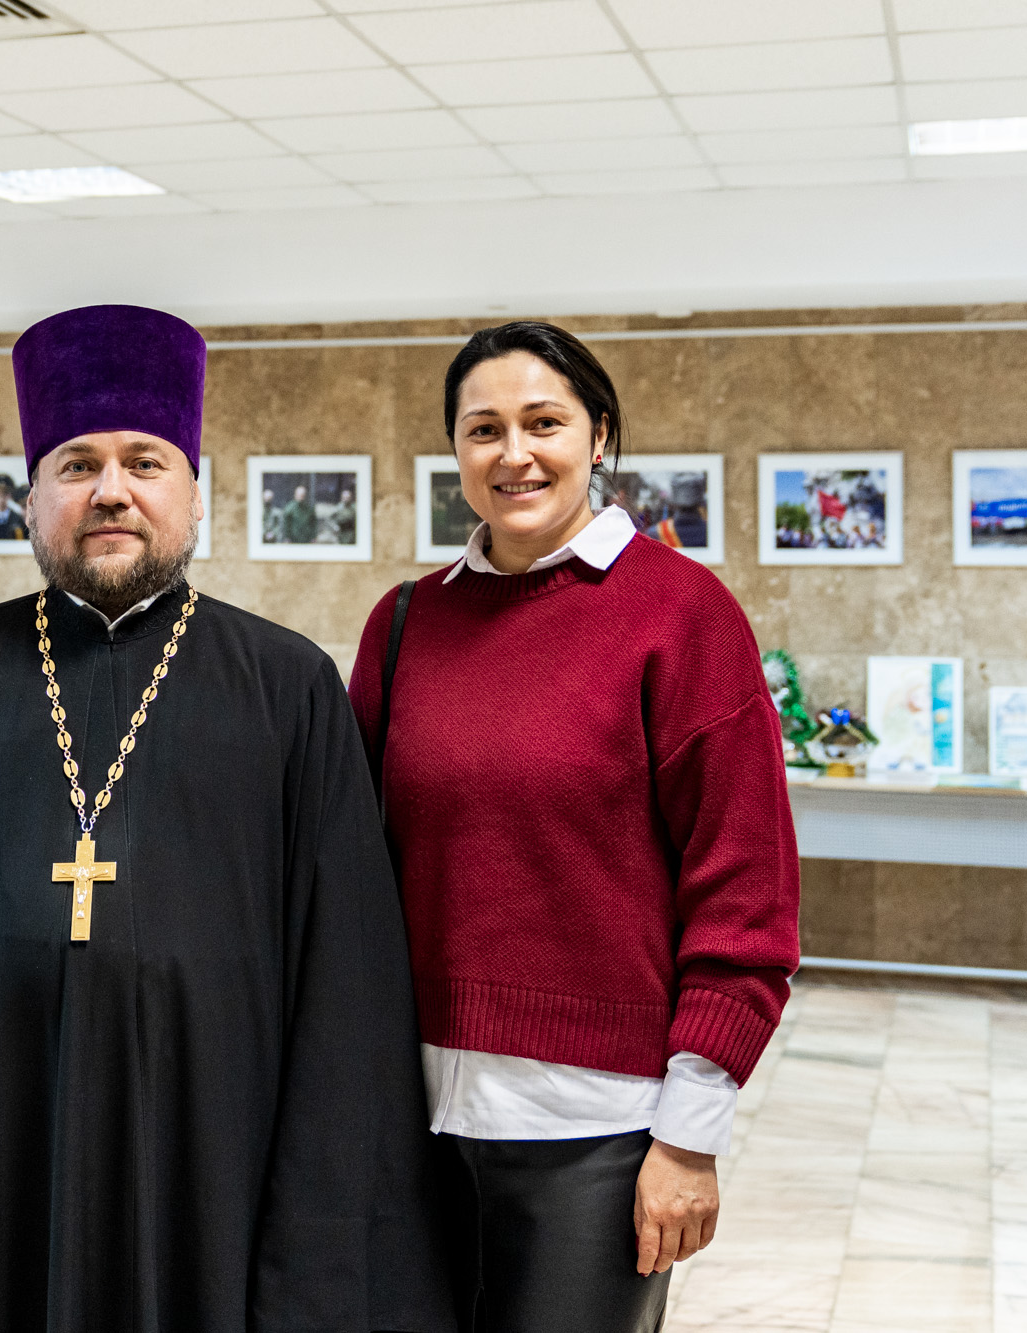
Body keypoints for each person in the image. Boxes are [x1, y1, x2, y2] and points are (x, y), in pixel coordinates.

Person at [0, 304, 451, 1333]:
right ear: (31, 498)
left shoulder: (289, 688)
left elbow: (345, 985)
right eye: (76, 465)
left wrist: (316, 1258)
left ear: (194, 493)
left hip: (211, 1168)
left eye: (144, 462)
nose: (111, 489)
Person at [347, 321, 799, 1332]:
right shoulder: (405, 625)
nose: (514, 453)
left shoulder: (681, 615)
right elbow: (350, 864)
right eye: (483, 429)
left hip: (599, 1134)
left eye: (542, 422)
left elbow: (745, 895)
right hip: (408, 1120)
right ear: (455, 450)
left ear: (597, 436)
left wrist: (687, 1137)